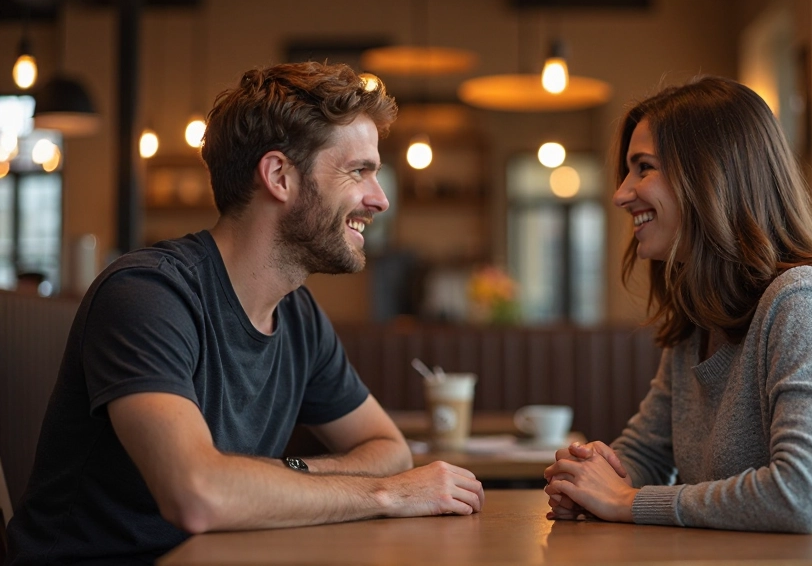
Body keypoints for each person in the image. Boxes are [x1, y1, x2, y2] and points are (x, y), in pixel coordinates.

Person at [6, 62, 484, 565]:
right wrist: (389, 495)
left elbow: (389, 448)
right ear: (279, 176)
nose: (380, 199)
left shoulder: (297, 314)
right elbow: (197, 494)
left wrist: (279, 476)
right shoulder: (148, 294)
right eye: (358, 171)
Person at [542, 77, 812, 566]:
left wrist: (625, 500)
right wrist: (594, 478)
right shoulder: (698, 318)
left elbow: (803, 495)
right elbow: (648, 451)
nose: (621, 194)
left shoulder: (802, 302)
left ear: (710, 177)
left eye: (643, 169)